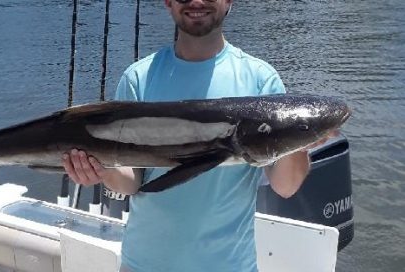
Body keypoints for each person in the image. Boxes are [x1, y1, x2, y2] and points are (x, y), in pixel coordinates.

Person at [62, 0, 331, 271]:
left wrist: (300, 138)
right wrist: (101, 171)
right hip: (144, 264)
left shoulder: (260, 80)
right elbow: (132, 182)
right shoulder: (139, 78)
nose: (197, 2)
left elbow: (286, 187)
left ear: (228, 1)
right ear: (168, 3)